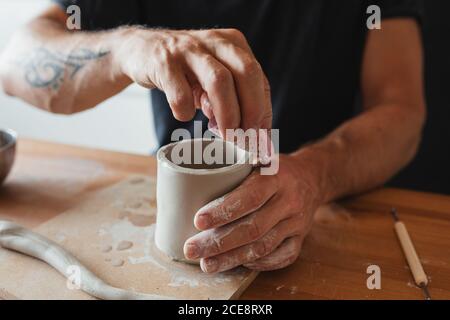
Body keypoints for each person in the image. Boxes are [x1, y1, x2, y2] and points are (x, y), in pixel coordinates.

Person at [0, 0, 425, 273]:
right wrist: (128, 48)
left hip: (324, 213)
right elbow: (16, 66)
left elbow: (402, 111)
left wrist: (313, 177)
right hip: (160, 199)